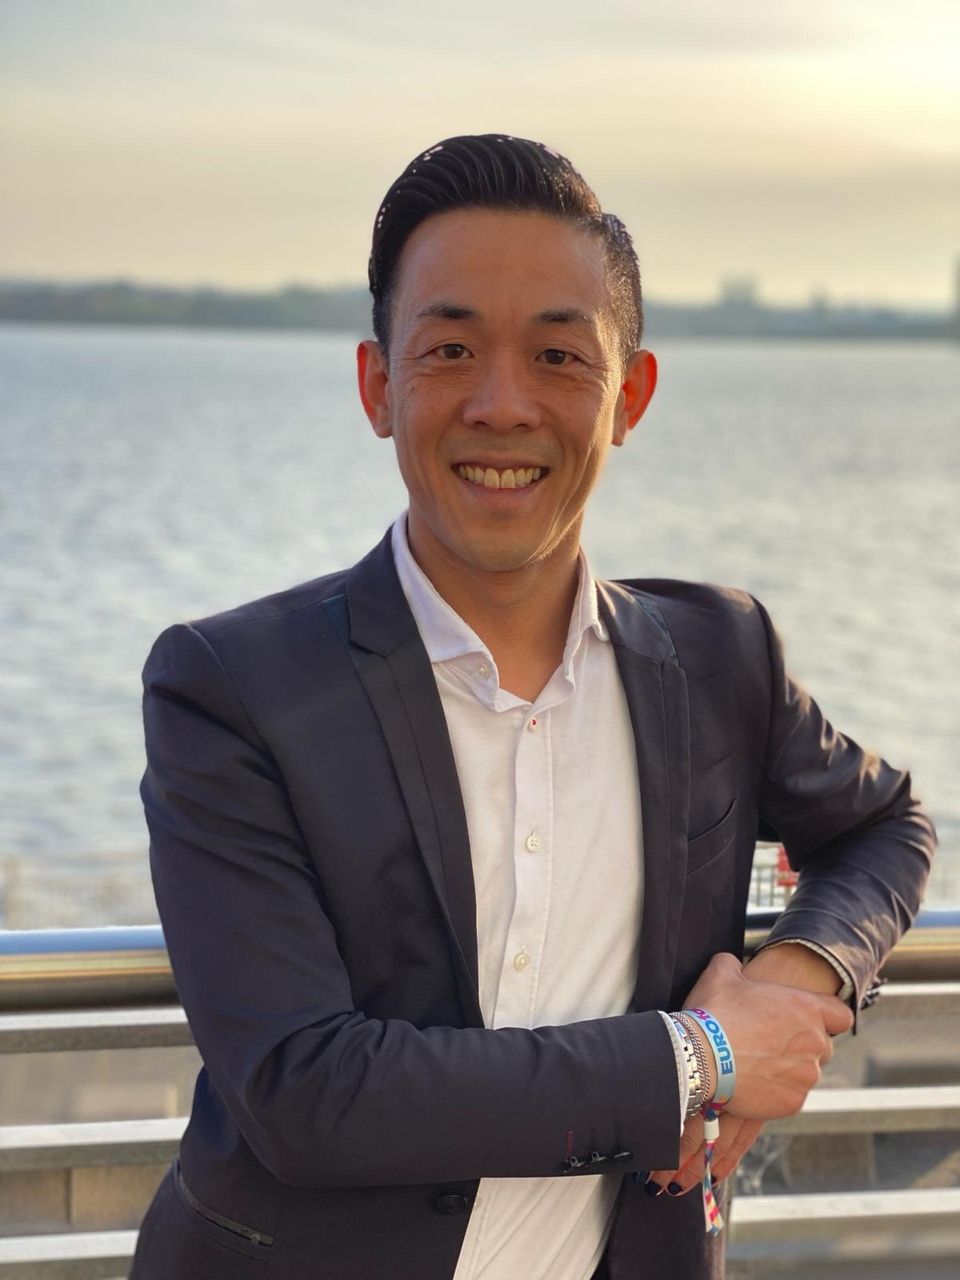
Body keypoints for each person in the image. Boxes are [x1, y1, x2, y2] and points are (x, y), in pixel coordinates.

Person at [130, 135, 935, 1280]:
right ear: (378, 383)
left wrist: (796, 978)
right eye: (451, 348)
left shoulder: (718, 656)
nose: (504, 405)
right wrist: (704, 1055)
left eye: (560, 356)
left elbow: (886, 823)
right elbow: (310, 1092)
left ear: (628, 396)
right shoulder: (232, 687)